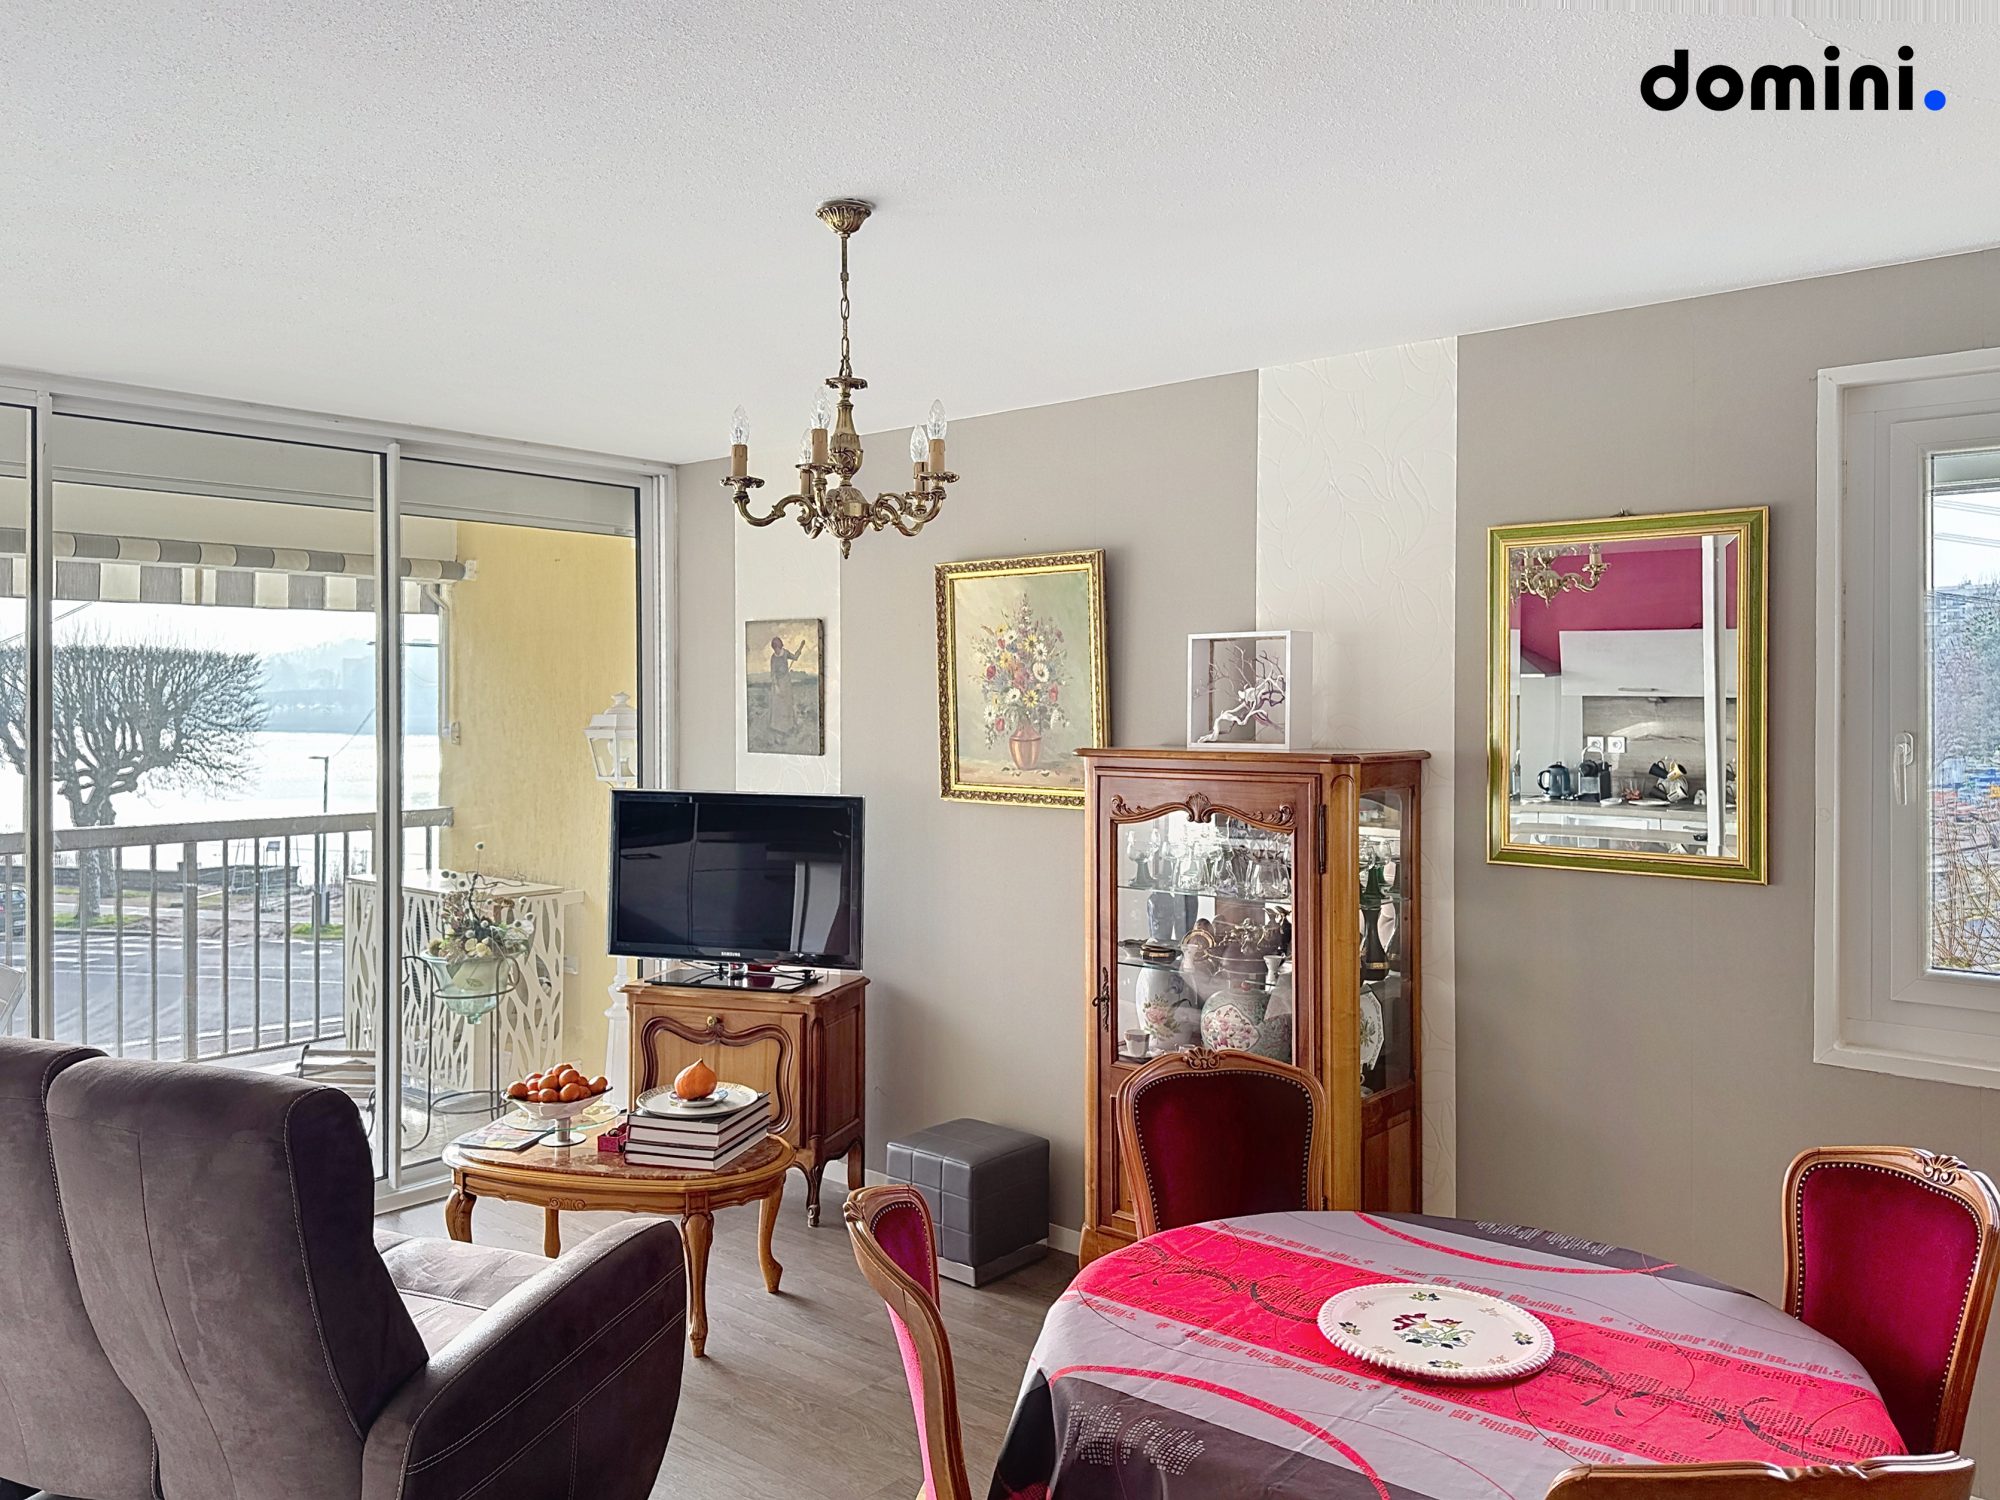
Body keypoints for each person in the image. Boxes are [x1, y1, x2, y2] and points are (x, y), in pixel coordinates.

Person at [766, 635, 805, 735]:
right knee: (778, 704)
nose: (777, 650)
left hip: (786, 682)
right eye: (775, 648)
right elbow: (773, 673)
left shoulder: (785, 653)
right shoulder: (773, 658)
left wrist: (800, 648)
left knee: (787, 703)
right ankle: (777, 726)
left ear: (780, 646)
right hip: (777, 683)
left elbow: (795, 658)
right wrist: (776, 686)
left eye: (778, 648)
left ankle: (788, 726)